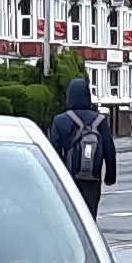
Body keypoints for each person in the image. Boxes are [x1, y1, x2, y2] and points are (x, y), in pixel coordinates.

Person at [46, 77, 117, 217]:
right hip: (92, 177)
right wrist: (110, 177)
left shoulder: (60, 120)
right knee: (89, 216)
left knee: (69, 216)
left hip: (68, 177)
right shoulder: (99, 120)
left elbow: (53, 152)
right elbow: (109, 150)